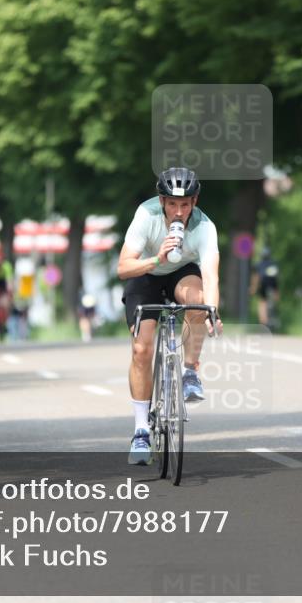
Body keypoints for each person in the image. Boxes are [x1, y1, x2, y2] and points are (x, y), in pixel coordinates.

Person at [117, 167, 222, 465]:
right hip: (146, 272)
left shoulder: (204, 227)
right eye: (173, 204)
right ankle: (140, 431)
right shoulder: (146, 215)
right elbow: (123, 268)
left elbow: (211, 276)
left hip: (182, 273)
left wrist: (212, 310)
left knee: (198, 302)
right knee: (141, 349)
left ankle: (189, 371)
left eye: (186, 204)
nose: (179, 211)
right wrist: (156, 258)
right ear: (161, 201)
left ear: (195, 201)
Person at [251, 247, 280, 329]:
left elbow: (256, 277)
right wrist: (277, 291)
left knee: (262, 303)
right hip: (272, 286)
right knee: (272, 303)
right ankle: (272, 319)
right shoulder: (273, 265)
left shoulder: (258, 264)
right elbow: (276, 278)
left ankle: (263, 322)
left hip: (262, 286)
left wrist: (253, 288)